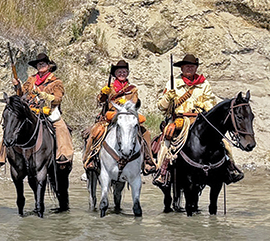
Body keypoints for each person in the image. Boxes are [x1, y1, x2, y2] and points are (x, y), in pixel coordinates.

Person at [0, 53, 73, 212]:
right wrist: (18, 86)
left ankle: (63, 153)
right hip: (32, 111)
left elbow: (58, 98)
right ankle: (0, 153)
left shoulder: (56, 82)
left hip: (49, 111)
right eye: (39, 64)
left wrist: (45, 95)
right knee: (11, 126)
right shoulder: (32, 79)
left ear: (49, 65)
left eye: (43, 64)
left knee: (61, 127)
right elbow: (22, 94)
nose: (40, 66)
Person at [153, 54, 243, 186]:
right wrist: (168, 98)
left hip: (201, 119)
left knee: (223, 140)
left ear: (196, 68)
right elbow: (161, 107)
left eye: (192, 66)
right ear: (182, 68)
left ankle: (230, 167)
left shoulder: (204, 83)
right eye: (187, 66)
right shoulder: (173, 83)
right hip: (180, 119)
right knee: (168, 135)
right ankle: (162, 171)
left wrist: (204, 105)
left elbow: (211, 103)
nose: (189, 68)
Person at [81, 60, 157, 174]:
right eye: (119, 71)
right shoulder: (109, 87)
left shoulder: (132, 89)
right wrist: (103, 94)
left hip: (127, 115)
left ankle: (148, 160)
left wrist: (125, 102)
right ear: (115, 74)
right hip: (110, 116)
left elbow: (134, 101)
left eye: (124, 71)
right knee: (96, 132)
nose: (122, 73)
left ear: (127, 73)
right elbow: (100, 101)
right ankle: (90, 158)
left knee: (146, 133)